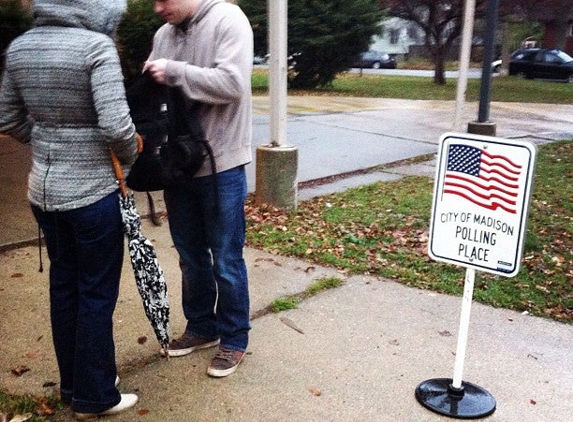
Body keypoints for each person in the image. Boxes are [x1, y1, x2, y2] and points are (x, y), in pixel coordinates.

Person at [0, 0, 139, 418]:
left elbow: (7, 117)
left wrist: (47, 140)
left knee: (64, 287)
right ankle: (96, 396)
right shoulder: (96, 48)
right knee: (96, 291)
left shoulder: (20, 47)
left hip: (43, 190)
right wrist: (130, 158)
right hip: (94, 191)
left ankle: (74, 384)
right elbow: (117, 127)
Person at [144, 0, 253, 377]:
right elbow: (155, 96)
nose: (158, 8)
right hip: (177, 164)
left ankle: (235, 338)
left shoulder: (228, 19)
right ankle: (202, 327)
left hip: (222, 162)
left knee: (225, 257)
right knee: (190, 256)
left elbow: (233, 84)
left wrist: (173, 72)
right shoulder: (164, 34)